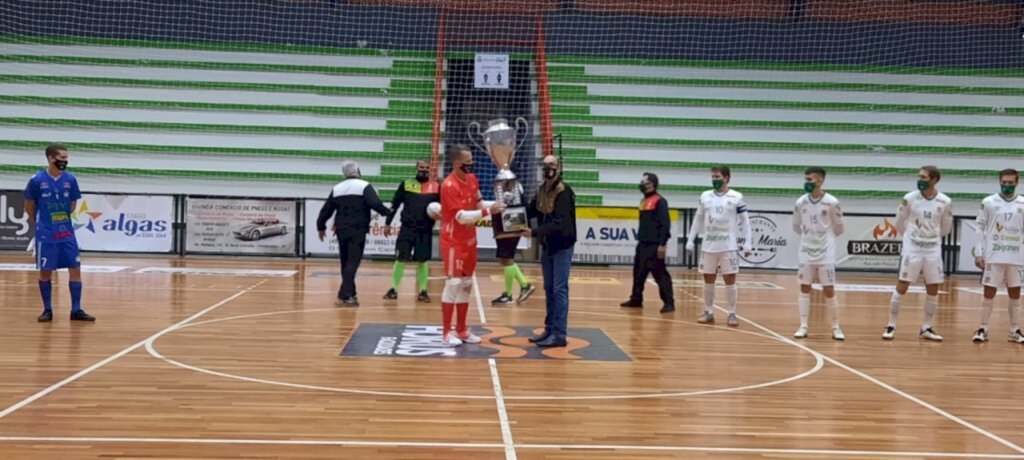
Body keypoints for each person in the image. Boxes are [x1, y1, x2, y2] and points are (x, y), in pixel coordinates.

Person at [439, 145, 505, 347]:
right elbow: (461, 217)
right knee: (454, 284)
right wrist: (488, 212)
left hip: (470, 240)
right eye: (468, 160)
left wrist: (499, 203)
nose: (472, 163)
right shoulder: (449, 185)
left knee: (466, 284)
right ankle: (446, 332)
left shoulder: (473, 179)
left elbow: (478, 203)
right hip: (453, 241)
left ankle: (462, 330)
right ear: (457, 162)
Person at [883, 165, 953, 341]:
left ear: (935, 180)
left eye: (924, 177)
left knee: (933, 288)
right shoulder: (909, 198)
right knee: (902, 285)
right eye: (919, 177)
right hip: (912, 249)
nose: (920, 180)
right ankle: (891, 325)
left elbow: (946, 228)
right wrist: (911, 237)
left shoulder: (945, 201)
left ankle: (927, 327)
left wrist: (931, 237)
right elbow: (899, 222)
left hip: (932, 250)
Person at [25, 144, 94, 322]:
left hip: (66, 233)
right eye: (61, 158)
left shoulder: (70, 179)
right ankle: (47, 310)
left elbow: (72, 204)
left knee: (75, 269)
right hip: (46, 234)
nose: (65, 161)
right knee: (45, 272)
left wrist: (61, 220)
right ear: (50, 158)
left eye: (66, 158)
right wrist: (43, 223)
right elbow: (29, 206)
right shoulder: (36, 180)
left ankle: (76, 310)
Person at [316, 160, 390, 307]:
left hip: (341, 230)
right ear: (358, 171)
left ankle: (351, 294)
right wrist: (388, 212)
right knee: (353, 263)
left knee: (345, 262)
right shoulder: (364, 186)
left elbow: (326, 210)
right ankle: (344, 295)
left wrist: (321, 226)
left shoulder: (337, 188)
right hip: (358, 229)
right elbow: (375, 204)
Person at [685, 165, 752, 326]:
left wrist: (748, 242)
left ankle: (732, 313)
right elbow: (698, 219)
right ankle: (709, 311)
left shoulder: (736, 197)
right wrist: (690, 240)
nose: (714, 180)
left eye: (718, 177)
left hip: (728, 246)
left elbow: (745, 221)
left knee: (730, 278)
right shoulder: (705, 196)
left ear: (727, 178)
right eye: (713, 177)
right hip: (709, 246)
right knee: (708, 279)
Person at [522, 155, 577, 347]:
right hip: (548, 246)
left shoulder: (564, 191)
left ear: (559, 168)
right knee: (549, 289)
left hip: (562, 245)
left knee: (559, 289)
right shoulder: (542, 190)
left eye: (552, 165)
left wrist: (535, 232)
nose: (548, 168)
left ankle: (560, 334)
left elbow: (561, 223)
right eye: (545, 165)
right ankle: (549, 329)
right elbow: (531, 211)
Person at [792, 167, 846, 340]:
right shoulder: (800, 202)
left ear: (820, 181)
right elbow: (796, 226)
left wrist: (824, 241)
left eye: (810, 180)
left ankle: (836, 327)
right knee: (804, 287)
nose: (807, 183)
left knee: (829, 289)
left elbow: (839, 228)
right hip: (806, 252)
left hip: (826, 253)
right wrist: (810, 239)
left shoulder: (832, 202)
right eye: (806, 179)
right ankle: (803, 326)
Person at [971, 168, 1024, 343]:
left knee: (1015, 292)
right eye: (1004, 182)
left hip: (1016, 256)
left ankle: (1015, 330)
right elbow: (979, 227)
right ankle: (983, 328)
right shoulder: (988, 202)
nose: (1007, 185)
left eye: (1010, 182)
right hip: (994, 254)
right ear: (999, 182)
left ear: (1017, 182)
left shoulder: (1022, 204)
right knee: (989, 291)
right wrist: (979, 253)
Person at [382, 160, 439, 303]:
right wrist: (387, 223)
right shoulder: (406, 184)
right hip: (407, 228)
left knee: (423, 260)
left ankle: (423, 291)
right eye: (421, 167)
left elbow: (443, 207)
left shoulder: (436, 187)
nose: (424, 170)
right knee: (401, 258)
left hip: (425, 230)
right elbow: (394, 205)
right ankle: (393, 289)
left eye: (427, 168)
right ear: (416, 168)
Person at [620, 173, 675, 313]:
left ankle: (669, 302)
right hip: (642, 243)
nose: (641, 184)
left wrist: (663, 244)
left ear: (651, 184)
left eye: (644, 181)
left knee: (660, 274)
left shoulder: (660, 201)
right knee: (638, 272)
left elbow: (665, 223)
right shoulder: (643, 201)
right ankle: (636, 299)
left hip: (654, 245)